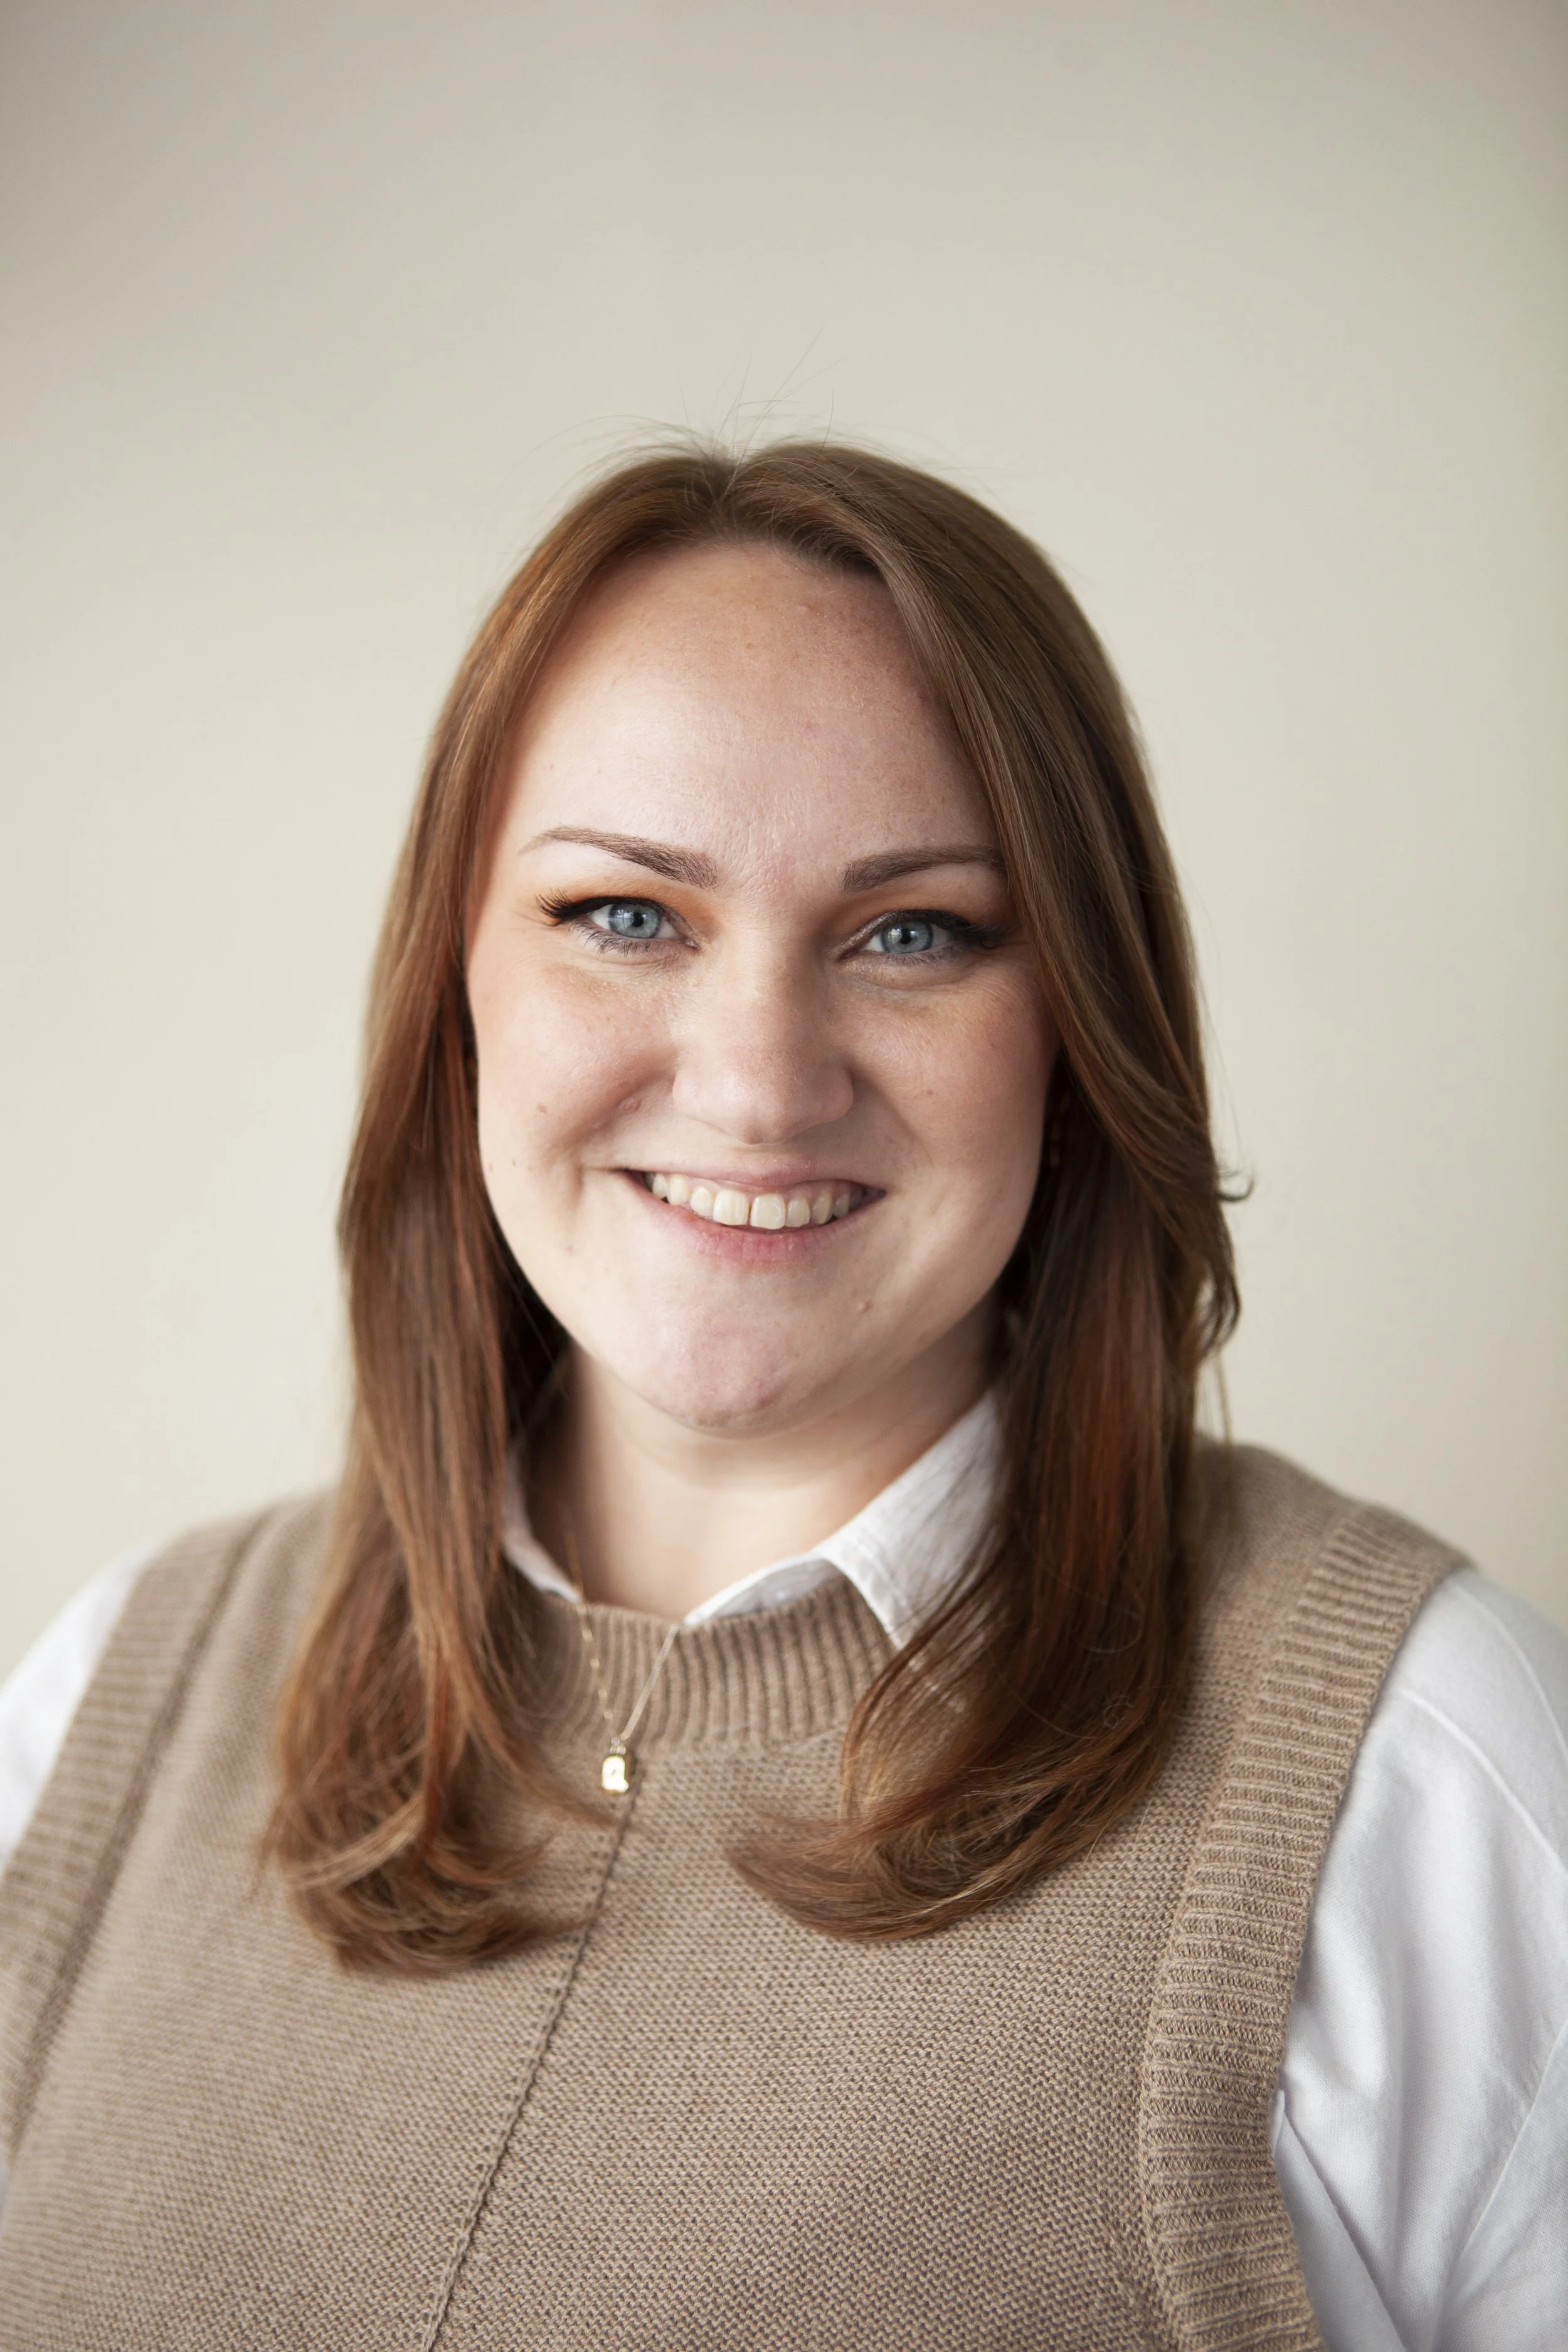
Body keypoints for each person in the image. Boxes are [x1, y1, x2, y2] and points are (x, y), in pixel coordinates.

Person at [1, 442, 1564, 2351]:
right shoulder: (102, 1706)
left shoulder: (1429, 1775)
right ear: (453, 986)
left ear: (1074, 1027)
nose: (756, 1080)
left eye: (911, 930)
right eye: (624, 914)